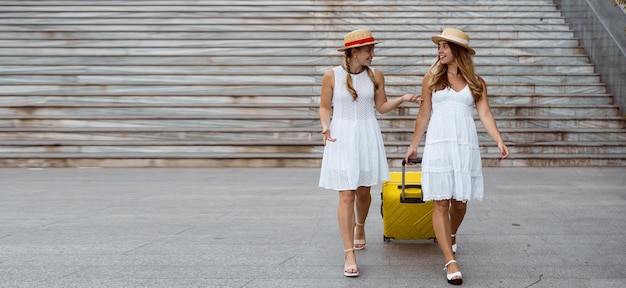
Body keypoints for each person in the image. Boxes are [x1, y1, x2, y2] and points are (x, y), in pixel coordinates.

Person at [404, 28, 510, 285]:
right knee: (440, 203)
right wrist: (414, 144)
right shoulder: (431, 78)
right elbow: (424, 114)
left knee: (459, 203)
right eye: (438, 46)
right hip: (439, 144)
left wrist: (498, 139)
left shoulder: (477, 82)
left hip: (464, 145)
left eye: (444, 47)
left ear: (458, 51)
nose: (439, 51)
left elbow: (485, 113)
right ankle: (450, 261)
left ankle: (451, 233)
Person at [318, 29, 420, 277]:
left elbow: (381, 107)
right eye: (368, 50)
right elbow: (323, 106)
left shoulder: (376, 75)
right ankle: (348, 253)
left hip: (366, 135)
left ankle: (360, 226)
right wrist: (325, 126)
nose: (372, 54)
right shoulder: (332, 76)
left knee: (364, 192)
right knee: (346, 195)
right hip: (341, 136)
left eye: (373, 49)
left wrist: (403, 98)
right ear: (353, 51)